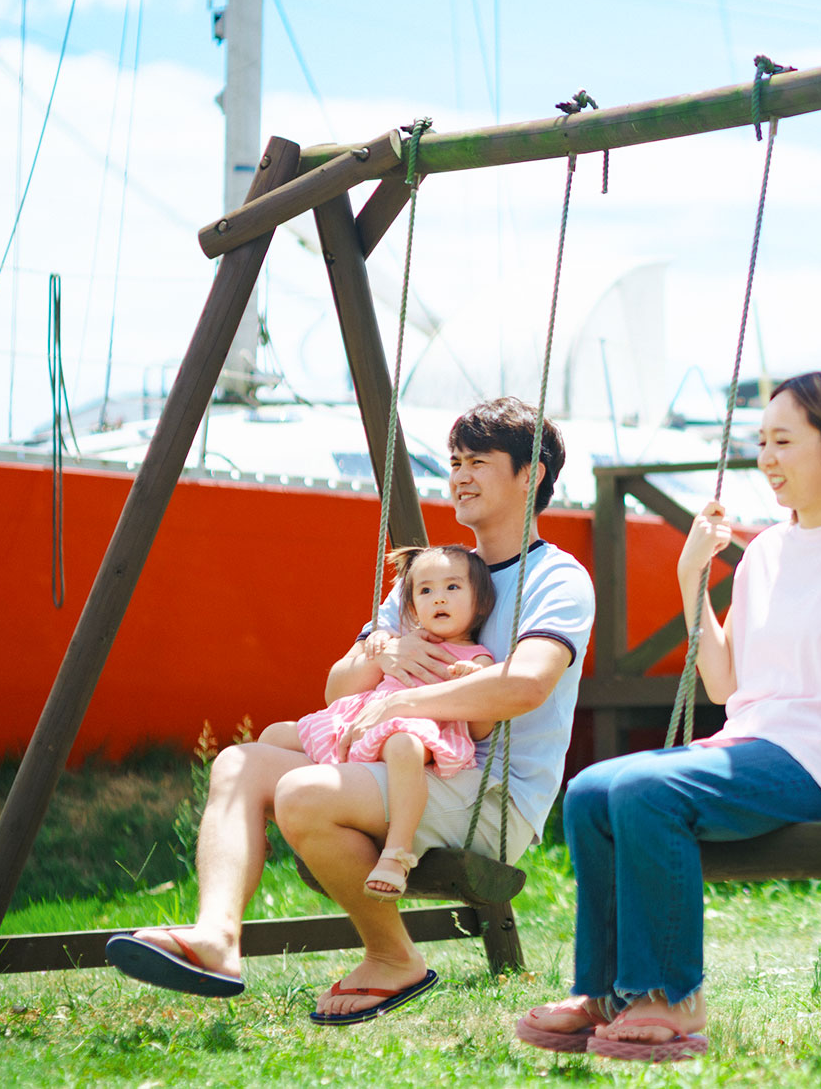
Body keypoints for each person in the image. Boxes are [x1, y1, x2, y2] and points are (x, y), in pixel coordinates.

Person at [105, 398, 595, 1025]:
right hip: (403, 760)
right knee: (239, 764)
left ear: (530, 475)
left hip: (489, 793)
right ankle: (217, 938)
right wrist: (384, 648)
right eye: (454, 462)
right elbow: (339, 687)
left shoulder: (556, 578)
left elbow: (525, 686)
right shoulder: (428, 575)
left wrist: (410, 696)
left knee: (305, 794)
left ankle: (393, 958)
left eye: (479, 462)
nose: (460, 476)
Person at [516, 369, 821, 1062]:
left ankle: (674, 998)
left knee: (646, 792)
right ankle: (606, 993)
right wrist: (693, 581)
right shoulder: (768, 550)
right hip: (751, 745)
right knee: (592, 791)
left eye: (782, 440)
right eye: (760, 441)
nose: (765, 458)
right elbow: (725, 682)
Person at [254, 544, 499, 900]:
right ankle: (264, 823)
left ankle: (397, 853)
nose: (439, 599)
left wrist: (471, 677)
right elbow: (355, 673)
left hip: (414, 727)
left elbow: (482, 722)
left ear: (481, 604)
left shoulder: (475, 656)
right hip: (362, 720)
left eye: (452, 587)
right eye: (426, 591)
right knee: (274, 735)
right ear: (412, 608)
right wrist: (381, 643)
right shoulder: (402, 639)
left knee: (404, 746)